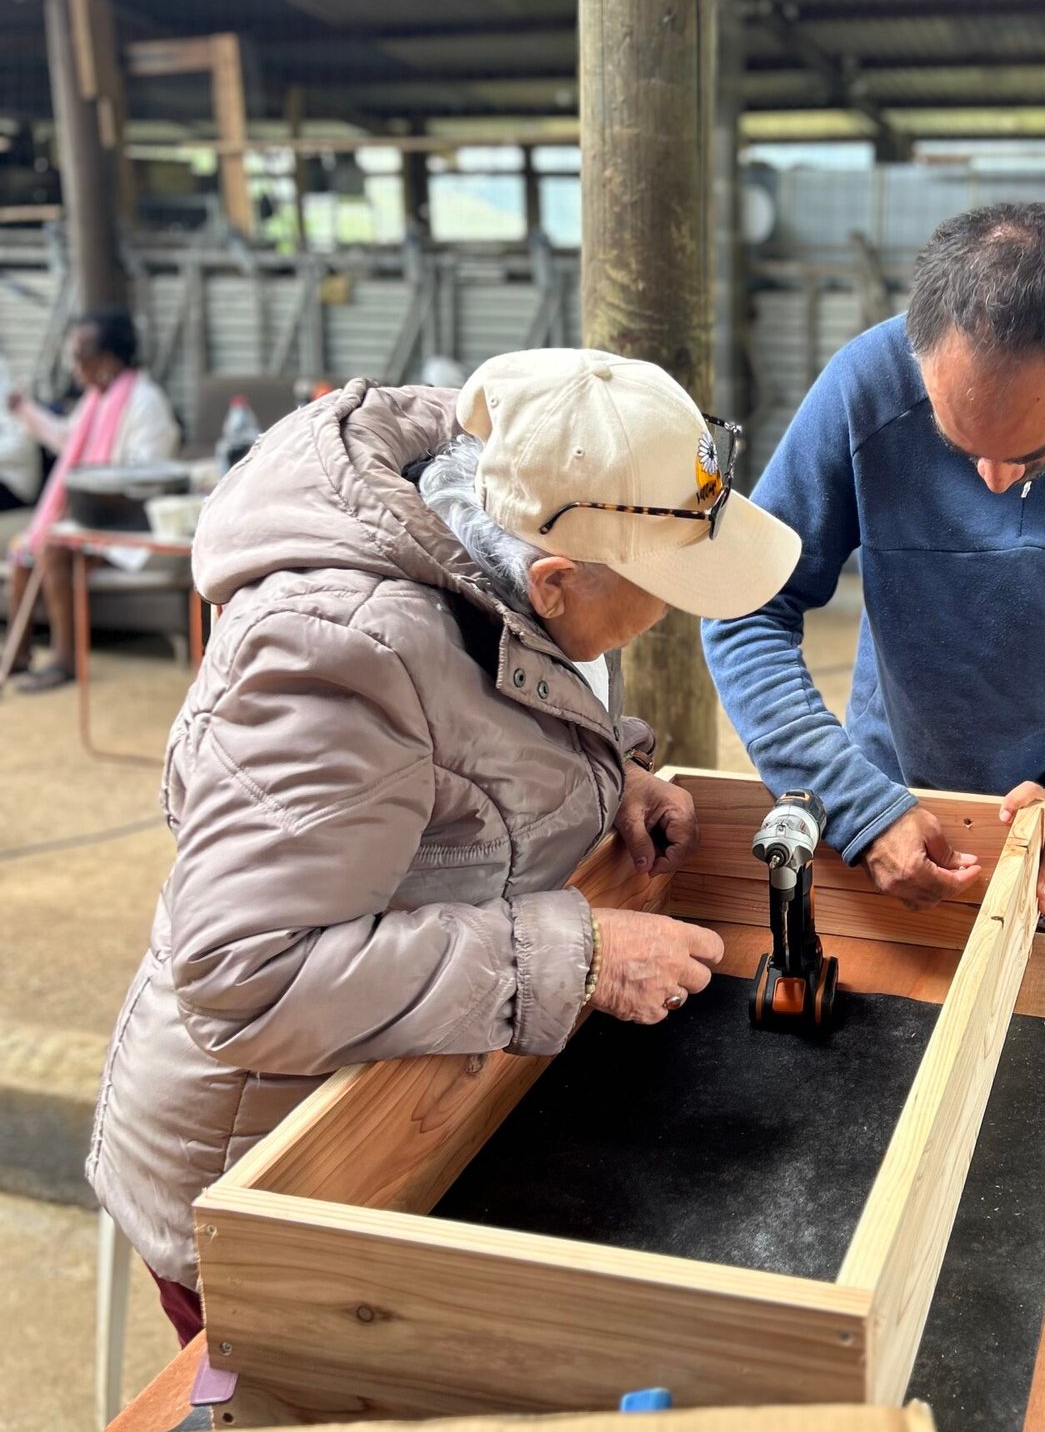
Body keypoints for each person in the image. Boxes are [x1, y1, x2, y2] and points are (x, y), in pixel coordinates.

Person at [87, 350, 801, 1343]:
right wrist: (579, 954)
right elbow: (245, 976)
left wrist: (611, 778)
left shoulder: (493, 523)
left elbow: (484, 729)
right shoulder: (340, 652)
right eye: (664, 597)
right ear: (553, 582)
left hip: (399, 1099)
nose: (667, 618)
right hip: (266, 1164)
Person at [703, 203, 1045, 948]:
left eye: (1033, 453)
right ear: (917, 345)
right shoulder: (866, 386)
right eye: (958, 445)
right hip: (896, 812)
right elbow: (743, 607)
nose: (993, 483)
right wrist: (857, 803)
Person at [4, 307, 181, 692]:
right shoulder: (95, 401)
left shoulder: (145, 402)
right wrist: (26, 411)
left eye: (80, 356)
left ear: (108, 359)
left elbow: (147, 476)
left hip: (127, 524)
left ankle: (65, 660)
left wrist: (95, 488)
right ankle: (17, 655)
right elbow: (68, 442)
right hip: (93, 516)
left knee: (53, 550)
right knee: (25, 551)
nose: (74, 367)